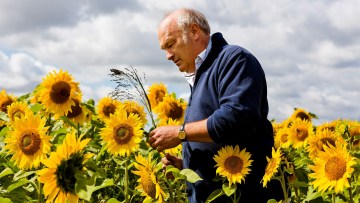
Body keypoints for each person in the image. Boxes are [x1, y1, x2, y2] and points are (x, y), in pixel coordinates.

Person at [149, 8, 283, 203]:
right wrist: (185, 165)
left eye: (171, 44)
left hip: (241, 194)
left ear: (194, 32)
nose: (168, 55)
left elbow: (236, 118)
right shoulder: (201, 75)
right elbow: (217, 143)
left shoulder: (234, 59)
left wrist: (179, 132)